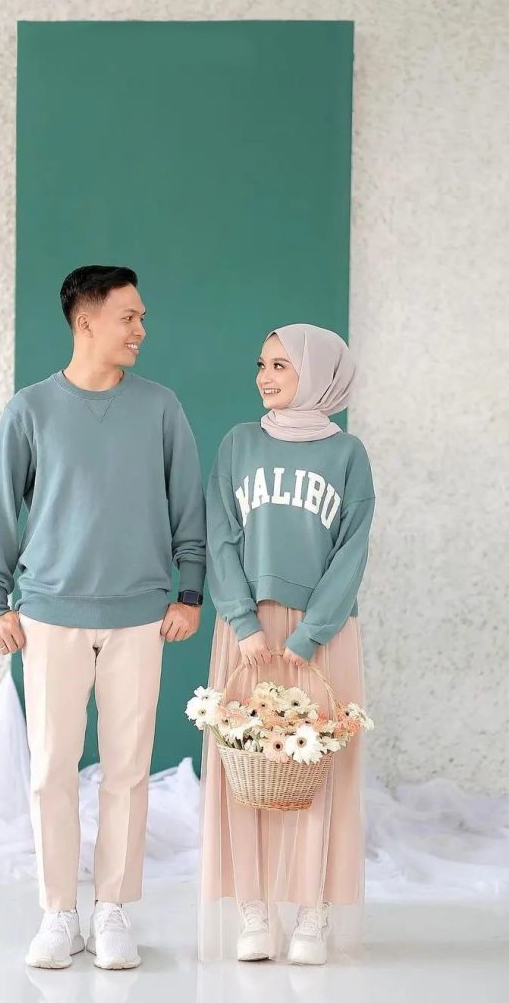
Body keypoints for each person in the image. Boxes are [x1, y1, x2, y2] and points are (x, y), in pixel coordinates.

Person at [0, 265, 206, 971]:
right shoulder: (30, 410)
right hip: (49, 615)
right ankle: (58, 914)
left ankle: (112, 910)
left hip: (140, 617)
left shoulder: (160, 408)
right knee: (52, 770)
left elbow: (188, 506)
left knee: (128, 770)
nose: (141, 329)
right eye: (128, 317)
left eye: (141, 317)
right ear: (86, 321)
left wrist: (190, 592)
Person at [198, 323, 374, 965]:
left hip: (323, 633)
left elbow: (352, 549)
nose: (264, 376)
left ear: (318, 373)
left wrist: (310, 633)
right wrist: (243, 623)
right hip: (247, 631)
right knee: (247, 767)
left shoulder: (348, 454)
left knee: (318, 769)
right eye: (261, 364)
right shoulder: (239, 444)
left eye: (280, 365)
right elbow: (220, 535)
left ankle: (312, 914)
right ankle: (254, 909)